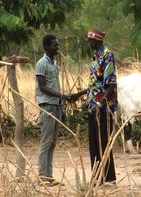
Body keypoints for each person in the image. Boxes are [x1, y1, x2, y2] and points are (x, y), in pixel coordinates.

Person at [74, 28, 117, 185]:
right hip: (93, 106)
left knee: (104, 142)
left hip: (103, 107)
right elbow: (95, 85)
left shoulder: (107, 56)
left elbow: (111, 85)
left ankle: (108, 178)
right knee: (94, 143)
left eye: (91, 40)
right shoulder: (96, 57)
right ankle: (98, 177)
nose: (89, 43)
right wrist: (79, 95)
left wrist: (99, 103)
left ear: (98, 40)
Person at [35, 34, 75, 186]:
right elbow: (43, 87)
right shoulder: (41, 64)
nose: (57, 48)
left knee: (52, 143)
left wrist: (61, 106)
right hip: (47, 107)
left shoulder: (54, 64)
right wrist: (63, 96)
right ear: (46, 47)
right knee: (46, 142)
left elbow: (54, 85)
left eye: (57, 45)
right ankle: (42, 177)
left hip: (56, 106)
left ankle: (48, 176)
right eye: (54, 45)